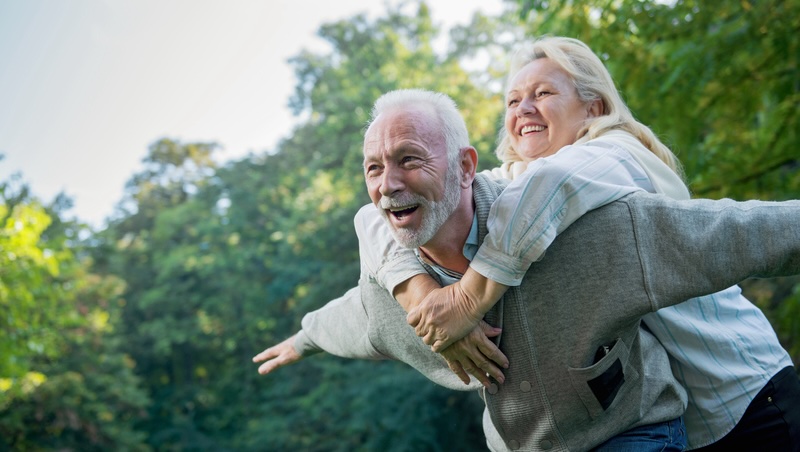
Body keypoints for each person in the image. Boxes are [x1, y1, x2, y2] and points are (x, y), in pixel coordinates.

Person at [253, 88, 800, 451]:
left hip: (633, 434)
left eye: (409, 159)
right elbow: (352, 318)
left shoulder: (583, 232)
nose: (388, 184)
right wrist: (304, 337)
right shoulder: (393, 294)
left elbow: (733, 232)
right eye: (373, 168)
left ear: (465, 167)